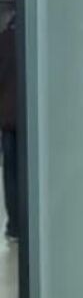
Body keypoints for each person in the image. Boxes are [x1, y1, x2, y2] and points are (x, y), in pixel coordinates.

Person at [0, 14, 17, 241]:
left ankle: (14, 227)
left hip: (8, 121)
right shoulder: (34, 40)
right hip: (32, 121)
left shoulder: (2, 41)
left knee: (11, 175)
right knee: (30, 174)